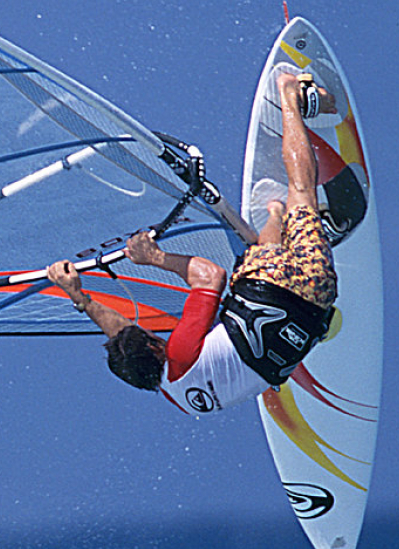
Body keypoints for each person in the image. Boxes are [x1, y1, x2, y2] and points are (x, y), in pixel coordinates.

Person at [46, 67, 339, 414]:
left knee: (272, 243)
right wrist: (155, 257)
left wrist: (80, 299)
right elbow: (210, 275)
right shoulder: (178, 356)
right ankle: (290, 95)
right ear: (156, 348)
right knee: (299, 193)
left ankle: (276, 212)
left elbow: (122, 335)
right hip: (270, 284)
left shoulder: (185, 402)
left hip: (314, 301)